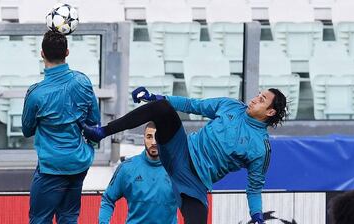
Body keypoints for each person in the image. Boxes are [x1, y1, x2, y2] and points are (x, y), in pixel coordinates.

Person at [82, 87, 287, 224]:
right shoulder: (230, 105)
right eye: (257, 95)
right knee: (161, 108)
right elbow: (192, 105)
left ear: (269, 112)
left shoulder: (261, 148)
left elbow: (254, 188)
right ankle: (101, 132)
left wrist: (257, 215)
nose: (254, 100)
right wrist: (156, 97)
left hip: (194, 182)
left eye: (261, 100)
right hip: (179, 150)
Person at [22, 31, 100, 224]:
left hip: (51, 169)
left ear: (42, 54)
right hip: (79, 163)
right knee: (69, 218)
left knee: (40, 220)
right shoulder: (83, 82)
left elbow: (27, 130)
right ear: (67, 52)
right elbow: (94, 121)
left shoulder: (36, 94)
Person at [99, 122, 177, 224]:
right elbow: (108, 199)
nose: (153, 142)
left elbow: (193, 201)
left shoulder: (177, 169)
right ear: (144, 139)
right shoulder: (127, 169)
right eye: (149, 137)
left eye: (158, 136)